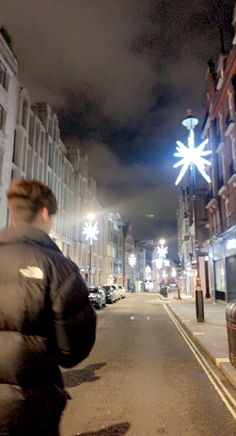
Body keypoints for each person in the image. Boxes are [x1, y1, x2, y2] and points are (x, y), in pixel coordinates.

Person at [0, 179, 97, 435]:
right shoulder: (60, 268)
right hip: (31, 408)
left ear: (13, 211)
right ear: (44, 214)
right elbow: (72, 351)